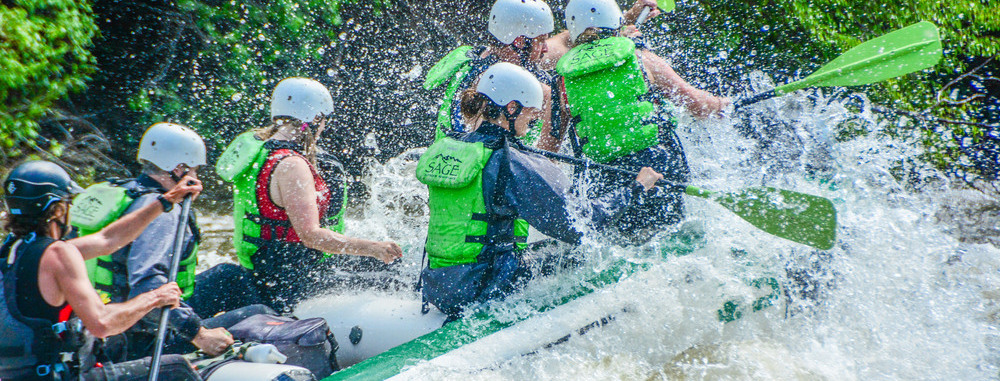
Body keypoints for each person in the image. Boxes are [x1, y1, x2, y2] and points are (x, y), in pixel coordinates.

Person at [417, 63, 665, 321]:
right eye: (528, 112)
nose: (534, 118)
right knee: (577, 251)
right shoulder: (509, 162)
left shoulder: (451, 146)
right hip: (483, 289)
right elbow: (581, 224)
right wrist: (635, 187)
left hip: (439, 286)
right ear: (511, 108)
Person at [71, 123, 272, 361]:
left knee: (230, 276)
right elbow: (147, 285)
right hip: (145, 336)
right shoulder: (162, 214)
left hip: (109, 322)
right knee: (261, 314)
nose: (197, 179)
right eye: (194, 170)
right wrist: (199, 333)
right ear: (179, 169)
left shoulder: (124, 192)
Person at [0, 160, 203, 380]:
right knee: (176, 368)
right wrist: (155, 297)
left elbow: (108, 239)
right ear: (58, 209)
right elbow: (103, 323)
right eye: (69, 202)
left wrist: (166, 200)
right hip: (57, 377)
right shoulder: (58, 254)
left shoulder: (12, 251)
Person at [549, 0, 730, 243]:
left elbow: (547, 153)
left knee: (622, 246)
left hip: (606, 185)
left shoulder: (562, 81)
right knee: (668, 241)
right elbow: (700, 106)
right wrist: (723, 105)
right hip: (657, 171)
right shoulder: (641, 59)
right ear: (615, 22)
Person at [216, 77, 402, 313]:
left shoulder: (260, 151)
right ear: (315, 118)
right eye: (324, 120)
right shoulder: (292, 165)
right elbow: (312, 237)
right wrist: (374, 247)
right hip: (290, 283)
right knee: (393, 269)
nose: (324, 127)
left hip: (267, 269)